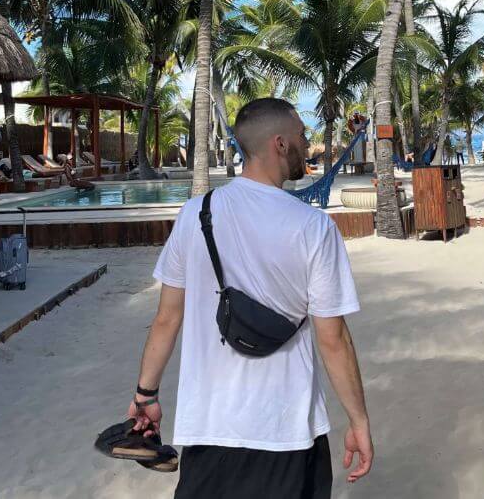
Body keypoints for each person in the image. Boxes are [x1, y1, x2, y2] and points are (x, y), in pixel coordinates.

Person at [125, 97, 373, 499]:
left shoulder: (196, 214)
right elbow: (333, 338)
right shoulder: (313, 228)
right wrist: (358, 420)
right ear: (279, 143)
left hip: (209, 430)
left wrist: (145, 396)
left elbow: (167, 319)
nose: (306, 143)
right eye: (301, 135)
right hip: (287, 430)